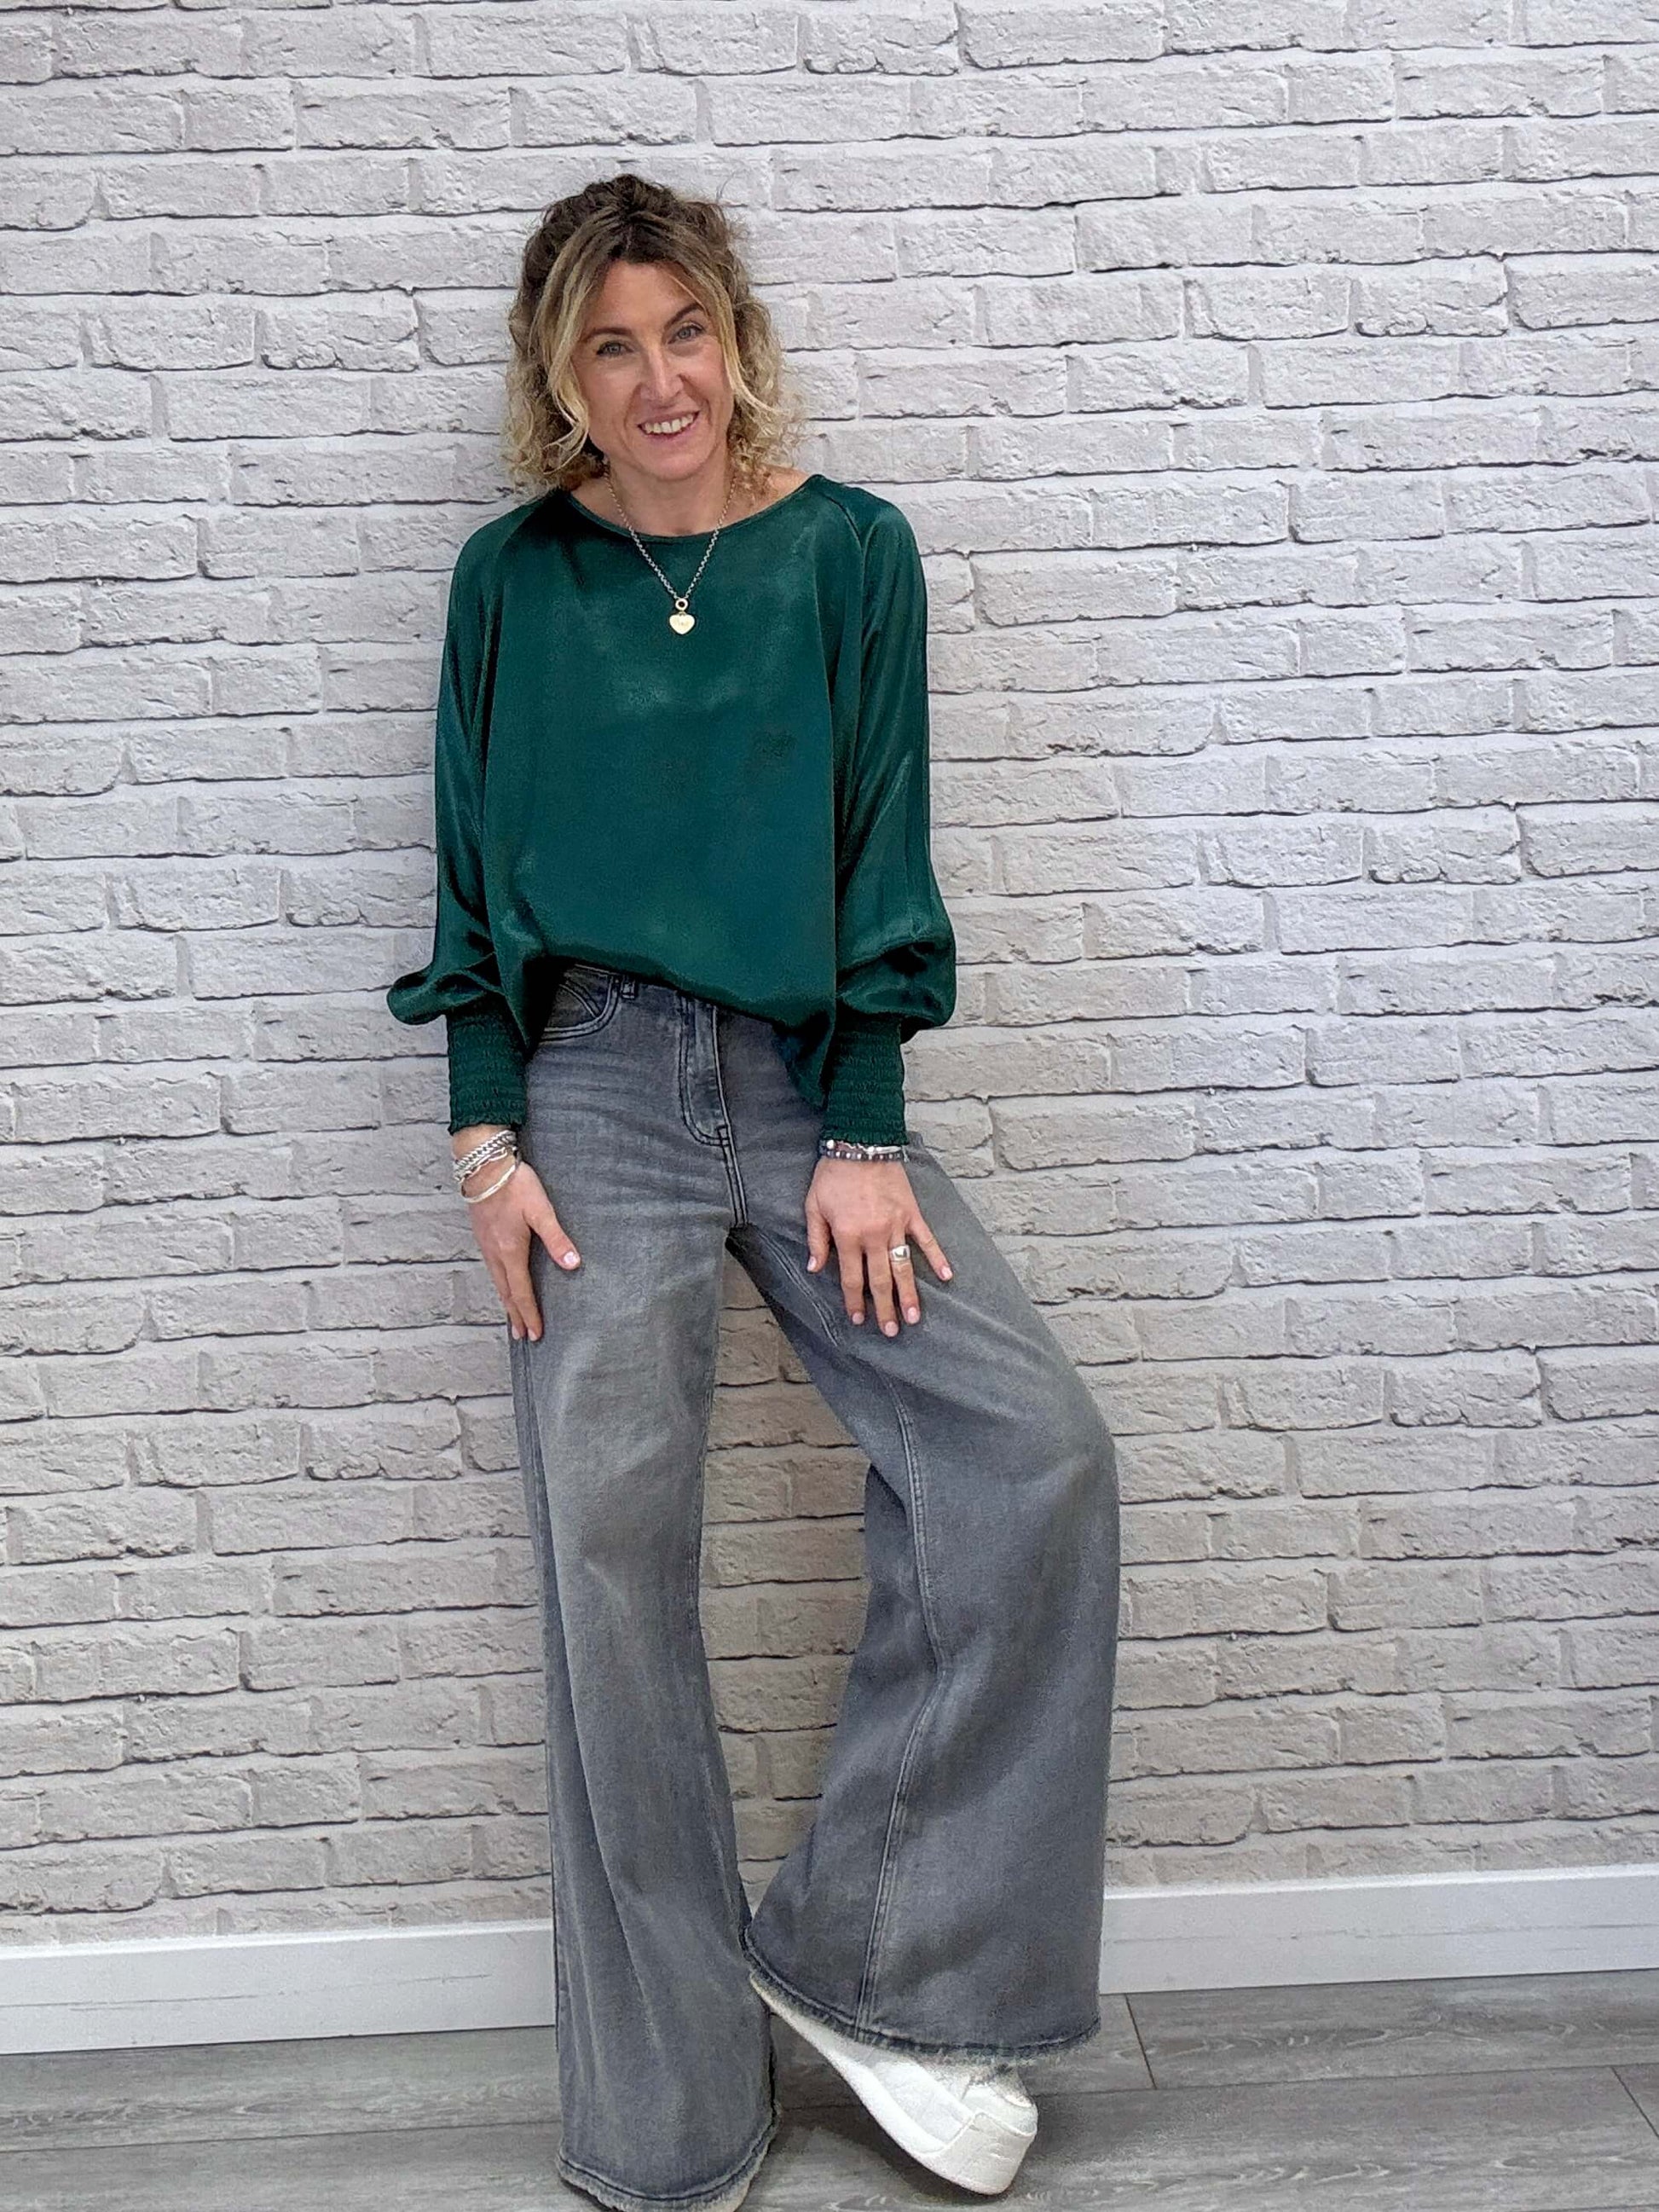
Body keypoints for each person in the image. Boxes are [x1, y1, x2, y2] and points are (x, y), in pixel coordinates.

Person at [384, 171, 1121, 2212]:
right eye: (610, 346)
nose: (658, 380)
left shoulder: (847, 554)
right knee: (610, 1576)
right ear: (559, 374)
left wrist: (866, 1129)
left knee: (1030, 1457)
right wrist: (483, 1136)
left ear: (734, 335)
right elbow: (467, 881)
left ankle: (879, 1968)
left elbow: (885, 847)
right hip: (588, 1094)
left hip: (808, 1087)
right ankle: (666, 2122)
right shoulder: (511, 579)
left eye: (684, 330)